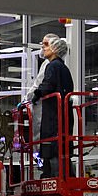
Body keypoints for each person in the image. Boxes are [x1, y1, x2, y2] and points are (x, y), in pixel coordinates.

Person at [31, 36, 74, 178]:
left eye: (47, 45)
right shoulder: (62, 67)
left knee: (53, 148)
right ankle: (65, 175)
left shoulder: (52, 66)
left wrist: (36, 95)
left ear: (55, 49)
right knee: (61, 149)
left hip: (54, 117)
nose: (44, 48)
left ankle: (55, 176)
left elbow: (46, 86)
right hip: (62, 116)